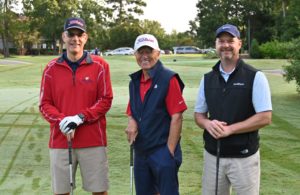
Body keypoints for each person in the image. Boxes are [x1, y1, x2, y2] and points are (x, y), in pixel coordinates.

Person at [194, 24, 272, 195]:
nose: (225, 45)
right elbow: (199, 115)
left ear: (239, 44)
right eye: (221, 41)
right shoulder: (207, 79)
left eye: (230, 40)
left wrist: (230, 129)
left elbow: (265, 117)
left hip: (244, 157)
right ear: (216, 44)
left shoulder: (255, 77)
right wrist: (207, 124)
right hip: (213, 156)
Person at [39, 17, 113, 195]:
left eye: (79, 34)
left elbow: (105, 99)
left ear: (85, 37)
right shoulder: (51, 69)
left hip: (93, 140)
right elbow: (44, 104)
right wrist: (62, 120)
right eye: (70, 34)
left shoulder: (100, 66)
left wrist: (80, 117)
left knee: (99, 191)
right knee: (61, 192)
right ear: (63, 37)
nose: (75, 39)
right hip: (61, 141)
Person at [125, 34, 187, 195]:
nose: (145, 56)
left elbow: (177, 117)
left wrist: (169, 151)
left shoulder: (168, 78)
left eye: (149, 51)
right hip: (141, 152)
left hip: (162, 150)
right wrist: (132, 121)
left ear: (158, 53)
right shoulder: (135, 81)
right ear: (135, 55)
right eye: (141, 52)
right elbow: (133, 109)